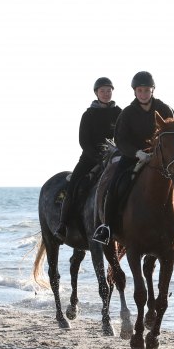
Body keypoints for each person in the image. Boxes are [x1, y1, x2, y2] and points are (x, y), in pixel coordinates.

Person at [91, 71, 174, 244]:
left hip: (162, 159)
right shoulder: (127, 113)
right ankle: (107, 227)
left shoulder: (164, 108)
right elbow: (121, 140)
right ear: (135, 92)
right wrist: (137, 153)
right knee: (115, 183)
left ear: (152, 90)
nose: (143, 94)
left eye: (146, 90)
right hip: (133, 156)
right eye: (140, 90)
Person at [54, 77, 120, 241]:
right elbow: (83, 141)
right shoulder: (88, 114)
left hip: (115, 157)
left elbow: (124, 136)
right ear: (96, 93)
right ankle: (63, 224)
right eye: (102, 91)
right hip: (91, 158)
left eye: (108, 90)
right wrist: (98, 157)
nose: (106, 94)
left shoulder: (120, 112)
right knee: (74, 184)